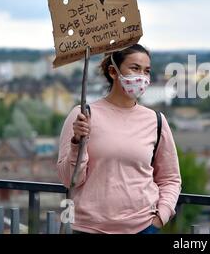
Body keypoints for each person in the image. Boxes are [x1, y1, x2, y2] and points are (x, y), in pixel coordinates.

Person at [57, 44, 182, 234]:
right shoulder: (82, 115)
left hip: (143, 228)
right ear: (113, 72)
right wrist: (77, 143)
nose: (142, 76)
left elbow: (170, 178)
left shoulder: (156, 121)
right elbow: (69, 180)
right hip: (89, 229)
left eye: (146, 71)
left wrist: (160, 217)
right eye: (135, 68)